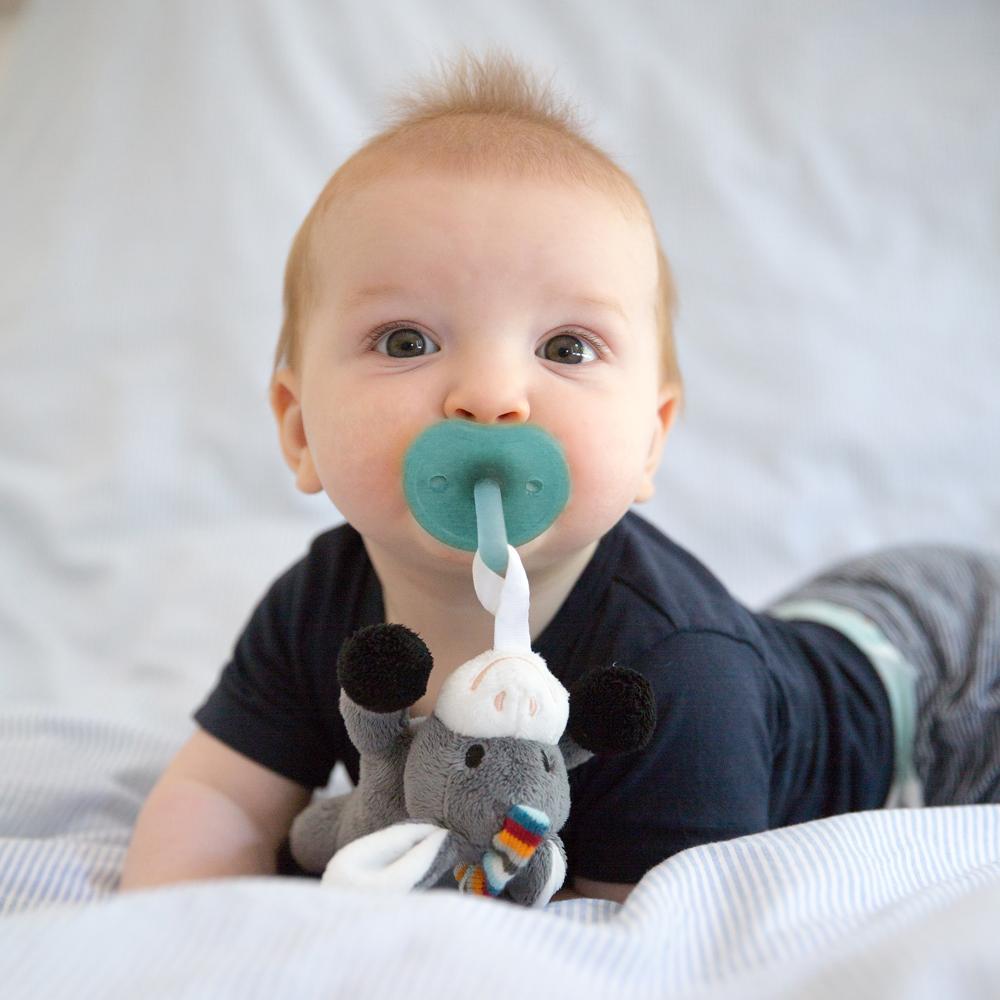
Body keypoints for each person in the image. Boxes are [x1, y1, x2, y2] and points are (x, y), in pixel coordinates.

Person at [120, 50, 1000, 901]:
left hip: (947, 691)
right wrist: (168, 930)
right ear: (299, 428)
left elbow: (646, 932)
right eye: (406, 340)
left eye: (567, 347)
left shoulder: (673, 677)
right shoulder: (314, 608)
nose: (490, 396)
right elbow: (221, 796)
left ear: (649, 441)